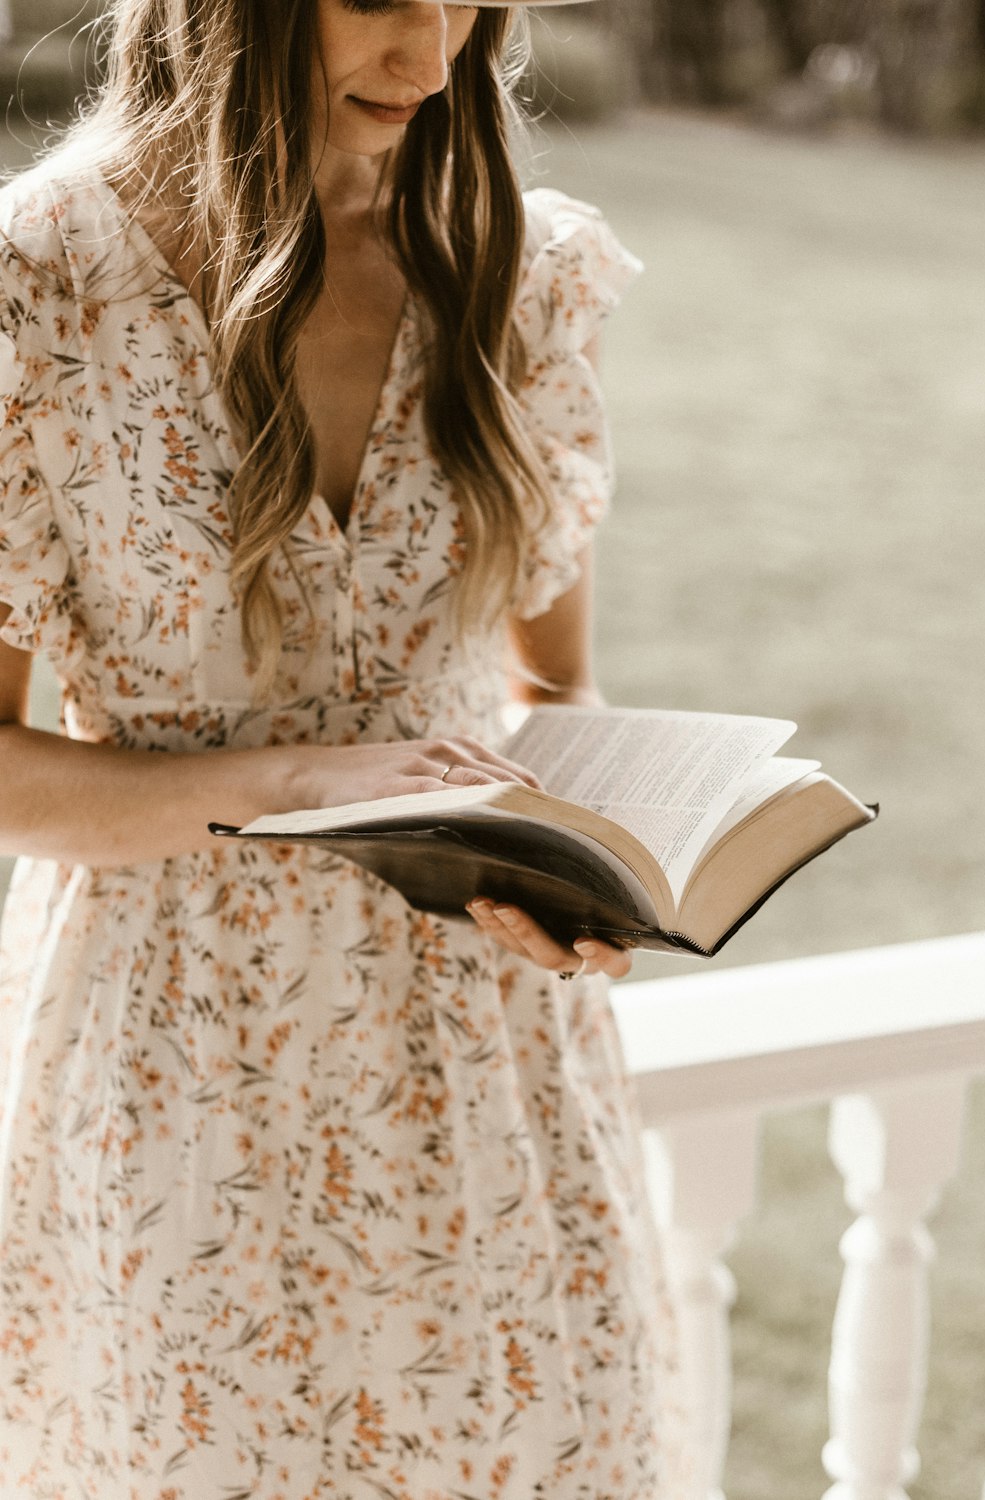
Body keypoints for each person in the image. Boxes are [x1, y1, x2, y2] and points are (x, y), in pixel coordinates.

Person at [0, 0, 691, 1493]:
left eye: (470, 4)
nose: (433, 58)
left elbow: (553, 689)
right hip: (179, 1072)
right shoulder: (39, 284)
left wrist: (577, 870)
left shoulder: (522, 267)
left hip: (485, 1063)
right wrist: (296, 783)